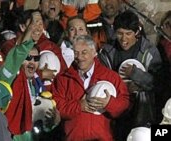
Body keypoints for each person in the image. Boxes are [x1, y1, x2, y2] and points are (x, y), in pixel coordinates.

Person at [98, 10, 162, 141]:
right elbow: (102, 79)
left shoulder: (150, 51)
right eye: (120, 33)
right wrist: (125, 88)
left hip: (143, 113)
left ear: (137, 33)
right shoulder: (106, 52)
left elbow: (158, 84)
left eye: (128, 34)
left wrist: (135, 74)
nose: (124, 38)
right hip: (116, 115)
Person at [52, 35, 130, 141]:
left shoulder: (111, 77)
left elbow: (124, 104)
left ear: (94, 53)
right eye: (76, 52)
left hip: (102, 138)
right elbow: (57, 107)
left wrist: (109, 103)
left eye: (84, 52)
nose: (79, 57)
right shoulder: (63, 78)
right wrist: (79, 106)